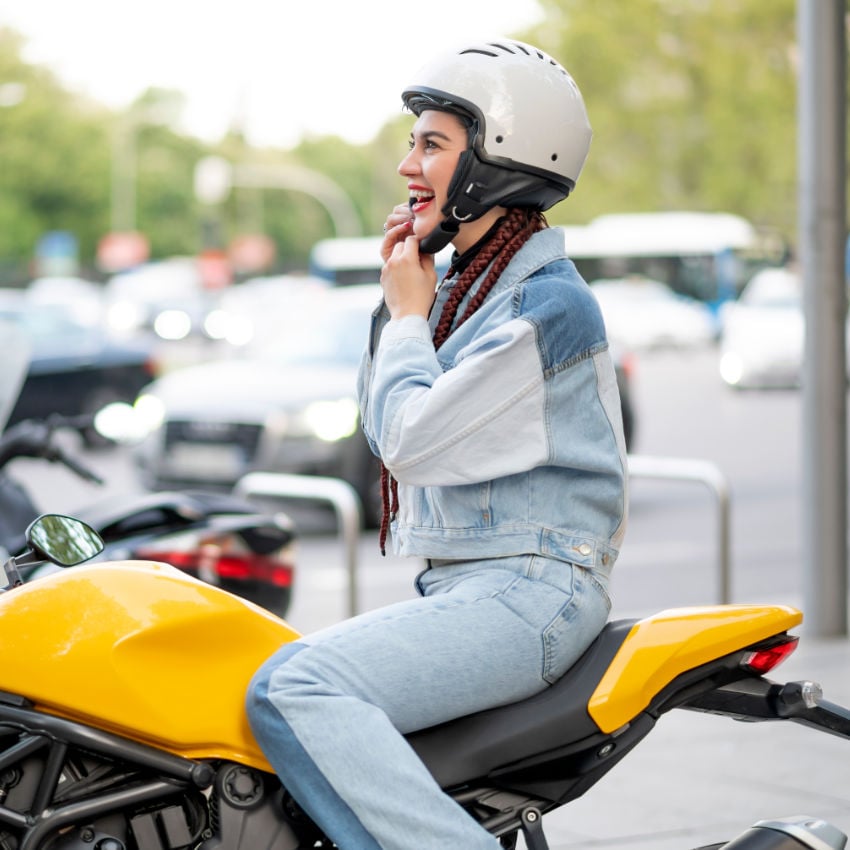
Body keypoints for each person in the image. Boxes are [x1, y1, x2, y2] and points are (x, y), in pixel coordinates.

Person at [246, 38, 628, 850]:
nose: (406, 164)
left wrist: (411, 314)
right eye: (412, 141)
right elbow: (384, 425)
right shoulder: (463, 287)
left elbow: (412, 445)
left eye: (431, 143)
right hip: (473, 589)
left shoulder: (547, 307)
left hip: (532, 593)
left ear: (497, 160)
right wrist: (400, 299)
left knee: (297, 686)